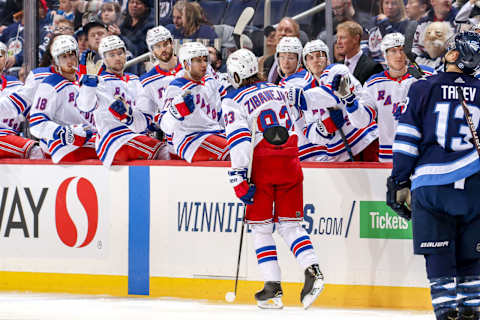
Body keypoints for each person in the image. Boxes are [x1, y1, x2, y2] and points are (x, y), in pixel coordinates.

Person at [387, 31, 480, 320]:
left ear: (452, 55)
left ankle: (446, 312)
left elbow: (406, 138)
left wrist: (399, 181)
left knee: (439, 256)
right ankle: (472, 312)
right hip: (475, 187)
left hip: (432, 185)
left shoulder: (422, 88)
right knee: (473, 259)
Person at [222, 48, 324, 309]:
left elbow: (241, 141)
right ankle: (312, 268)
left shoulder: (234, 99)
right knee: (291, 226)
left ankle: (272, 288)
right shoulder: (280, 89)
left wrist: (238, 176)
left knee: (261, 228)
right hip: (291, 160)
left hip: (262, 165)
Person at [77, 35, 167, 166]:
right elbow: (85, 106)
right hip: (114, 140)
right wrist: (88, 84)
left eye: (120, 53)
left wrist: (152, 122)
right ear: (104, 59)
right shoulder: (99, 81)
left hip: (136, 137)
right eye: (111, 55)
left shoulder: (135, 80)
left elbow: (146, 112)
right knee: (163, 151)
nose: (118, 58)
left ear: (126, 54)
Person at [344, 33, 433, 162]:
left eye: (402, 50)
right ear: (385, 55)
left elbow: (441, 106)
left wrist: (424, 81)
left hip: (423, 152)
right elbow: (362, 121)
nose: (399, 55)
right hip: (390, 155)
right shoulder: (373, 83)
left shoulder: (428, 74)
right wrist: (351, 103)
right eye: (393, 51)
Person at [301, 41, 379, 162]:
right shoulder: (307, 90)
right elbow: (309, 131)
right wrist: (324, 128)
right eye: (311, 57)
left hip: (366, 140)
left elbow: (330, 95)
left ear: (327, 58)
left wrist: (302, 99)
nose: (316, 60)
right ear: (307, 64)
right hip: (340, 154)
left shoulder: (338, 70)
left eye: (319, 55)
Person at [29, 35, 97, 162]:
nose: (69, 60)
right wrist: (64, 132)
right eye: (63, 57)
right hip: (60, 147)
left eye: (71, 55)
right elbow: (36, 124)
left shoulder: (86, 81)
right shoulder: (50, 84)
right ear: (56, 60)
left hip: (87, 140)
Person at [159, 42, 229, 162]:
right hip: (191, 139)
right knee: (235, 153)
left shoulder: (210, 83)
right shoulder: (177, 87)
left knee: (245, 146)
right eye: (198, 60)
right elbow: (164, 125)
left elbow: (221, 116)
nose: (204, 65)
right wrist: (175, 112)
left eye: (205, 60)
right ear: (186, 64)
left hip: (215, 133)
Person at [137, 26, 182, 157]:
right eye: (157, 46)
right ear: (151, 50)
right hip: (173, 139)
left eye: (166, 44)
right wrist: (156, 121)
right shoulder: (147, 81)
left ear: (172, 43)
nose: (163, 49)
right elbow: (144, 115)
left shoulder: (189, 66)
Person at [0, 41, 44, 159]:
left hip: (11, 138)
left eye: (1, 55)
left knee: (45, 151)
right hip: (6, 139)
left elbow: (31, 114)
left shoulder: (16, 85)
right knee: (35, 152)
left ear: (6, 60)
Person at [336, 21, 384, 85]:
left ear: (356, 39)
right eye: (337, 38)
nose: (338, 42)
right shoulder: (336, 67)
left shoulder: (373, 67)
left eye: (343, 38)